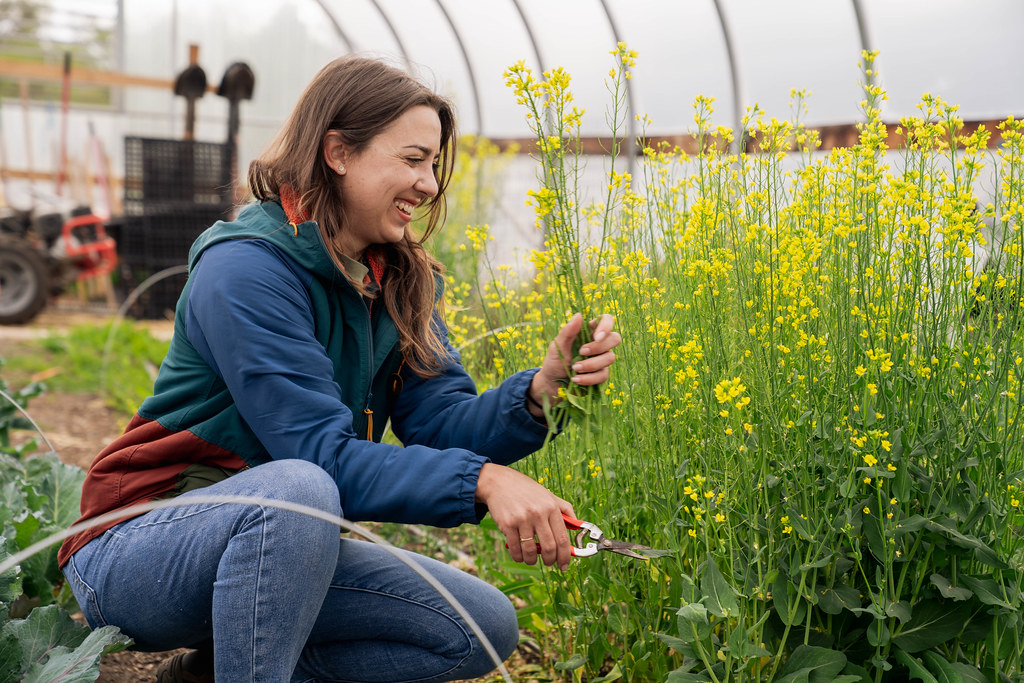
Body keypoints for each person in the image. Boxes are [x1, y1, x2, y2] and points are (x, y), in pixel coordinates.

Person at [58, 55, 621, 683]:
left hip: (281, 542)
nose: (430, 184)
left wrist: (537, 396)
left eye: (433, 163)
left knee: (477, 625)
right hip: (141, 547)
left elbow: (440, 423)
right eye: (412, 160)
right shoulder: (246, 271)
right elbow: (319, 460)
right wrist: (485, 482)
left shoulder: (396, 278)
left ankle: (205, 676)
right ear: (338, 153)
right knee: (301, 489)